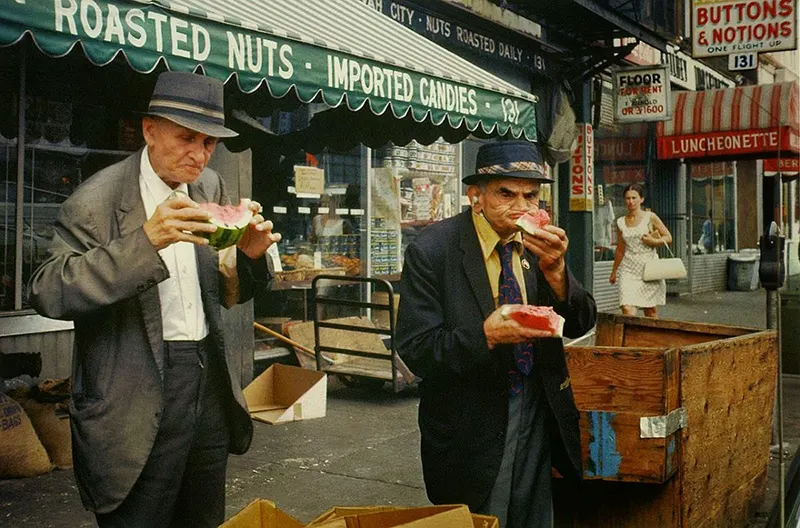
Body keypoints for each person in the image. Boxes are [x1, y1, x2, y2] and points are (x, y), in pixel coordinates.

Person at [28, 71, 280, 527]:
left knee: (203, 518)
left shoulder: (210, 188)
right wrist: (145, 242)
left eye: (209, 143)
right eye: (186, 138)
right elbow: (48, 290)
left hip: (206, 381)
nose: (199, 154)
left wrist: (250, 258)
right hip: (132, 393)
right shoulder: (95, 200)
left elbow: (228, 292)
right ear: (149, 130)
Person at [396, 141, 597, 527]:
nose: (521, 206)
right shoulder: (432, 251)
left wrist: (557, 272)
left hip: (537, 405)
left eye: (530, 195)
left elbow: (581, 321)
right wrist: (485, 335)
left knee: (535, 515)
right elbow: (416, 348)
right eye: (506, 193)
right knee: (483, 517)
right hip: (472, 419)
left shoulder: (538, 246)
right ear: (476, 196)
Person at [609, 183, 673, 318]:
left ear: (641, 199)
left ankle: (651, 333)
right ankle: (632, 332)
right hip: (628, 269)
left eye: (634, 198)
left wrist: (654, 241)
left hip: (648, 268)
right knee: (627, 308)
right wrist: (614, 271)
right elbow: (620, 248)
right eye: (627, 198)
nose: (631, 201)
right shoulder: (620, 222)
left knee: (650, 312)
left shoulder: (650, 217)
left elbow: (668, 237)